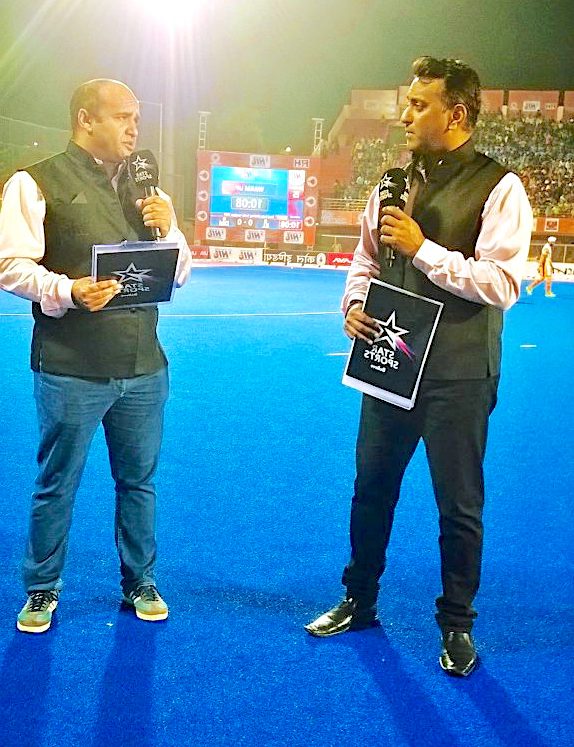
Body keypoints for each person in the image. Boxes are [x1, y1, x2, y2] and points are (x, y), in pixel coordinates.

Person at [305, 57, 532, 677]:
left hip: (459, 372)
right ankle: (359, 599)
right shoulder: (391, 183)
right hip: (389, 360)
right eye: (407, 102)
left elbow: (503, 283)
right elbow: (365, 259)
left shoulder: (500, 186)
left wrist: (423, 248)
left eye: (419, 104)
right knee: (370, 489)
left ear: (455, 114)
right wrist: (354, 304)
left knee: (458, 505)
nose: (405, 115)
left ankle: (457, 624)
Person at [0, 79, 192, 633]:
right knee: (57, 483)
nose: (134, 128)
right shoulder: (35, 183)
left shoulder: (149, 192)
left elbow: (179, 272)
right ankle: (42, 588)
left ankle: (140, 580)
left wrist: (168, 229)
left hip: (144, 366)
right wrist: (66, 290)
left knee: (139, 483)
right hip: (71, 367)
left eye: (137, 118)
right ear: (86, 119)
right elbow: (10, 265)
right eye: (123, 117)